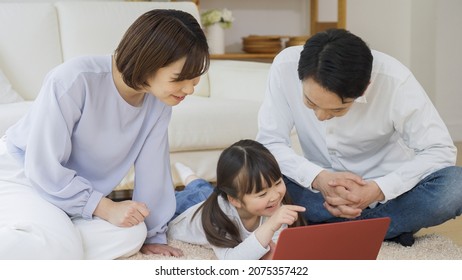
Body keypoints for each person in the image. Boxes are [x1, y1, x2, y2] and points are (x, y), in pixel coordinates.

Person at [0, 9, 209, 259]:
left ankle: (49, 238)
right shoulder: (74, 79)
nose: (188, 89)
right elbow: (43, 167)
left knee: (132, 233)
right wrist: (103, 206)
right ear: (148, 62)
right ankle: (53, 239)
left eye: (195, 81)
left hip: (73, 196)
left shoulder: (158, 103)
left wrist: (154, 233)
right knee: (61, 245)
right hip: (26, 179)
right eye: (180, 79)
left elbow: (154, 170)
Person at [256, 28, 462, 246]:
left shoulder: (395, 80)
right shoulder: (284, 66)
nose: (321, 116)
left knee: (455, 186)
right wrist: (318, 178)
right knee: (245, 175)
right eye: (310, 103)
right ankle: (381, 229)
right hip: (315, 195)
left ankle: (326, 229)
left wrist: (378, 189)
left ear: (365, 88)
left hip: (387, 198)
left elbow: (439, 150)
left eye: (337, 110)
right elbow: (270, 142)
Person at [168, 139, 306, 260]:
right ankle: (189, 178)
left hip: (213, 198)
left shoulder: (272, 205)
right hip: (181, 211)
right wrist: (270, 226)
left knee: (206, 192)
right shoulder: (218, 217)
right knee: (192, 196)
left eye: (277, 183)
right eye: (262, 194)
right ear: (234, 200)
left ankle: (192, 178)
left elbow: (271, 248)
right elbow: (231, 261)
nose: (275, 196)